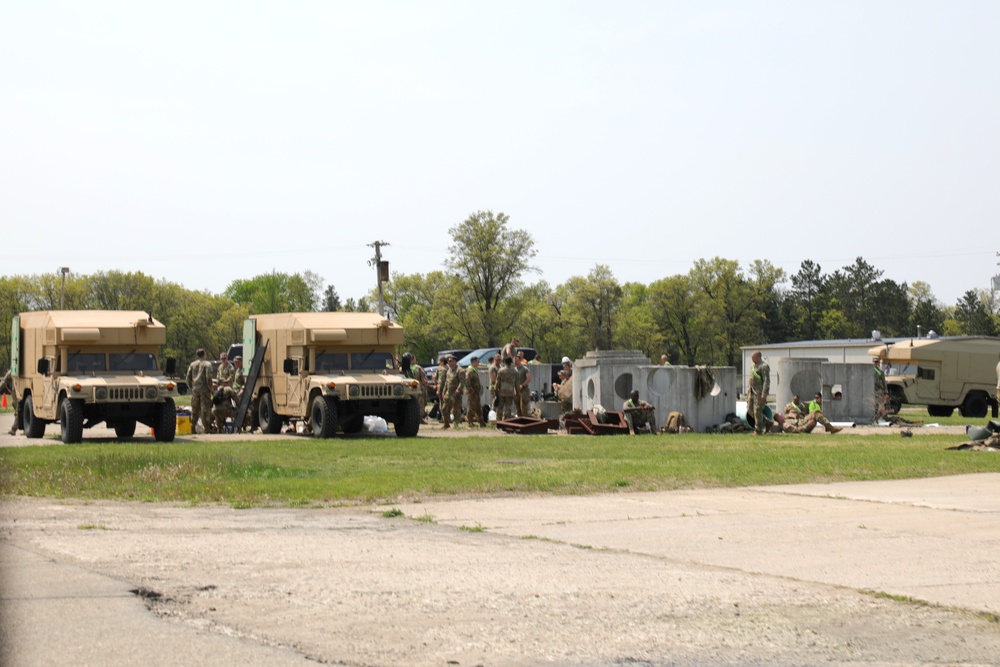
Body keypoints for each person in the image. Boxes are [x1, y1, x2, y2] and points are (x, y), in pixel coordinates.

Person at [185, 348, 215, 434]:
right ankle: (206, 428)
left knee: (195, 409)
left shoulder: (192, 364)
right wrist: (210, 388)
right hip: (204, 390)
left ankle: (193, 427)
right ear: (204, 354)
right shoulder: (207, 364)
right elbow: (208, 378)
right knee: (205, 409)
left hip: (195, 389)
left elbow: (188, 377)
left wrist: (191, 387)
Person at [400, 353, 428, 424]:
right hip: (409, 388)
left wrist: (423, 388)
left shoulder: (417, 368)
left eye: (413, 359)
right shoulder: (402, 368)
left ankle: (420, 418)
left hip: (417, 388)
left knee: (420, 403)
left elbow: (423, 379)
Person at [747, 351, 770, 436]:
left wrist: (764, 394)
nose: (752, 359)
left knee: (758, 410)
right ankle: (766, 421)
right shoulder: (753, 366)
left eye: (753, 357)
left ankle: (758, 430)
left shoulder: (764, 366)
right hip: (751, 391)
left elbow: (766, 381)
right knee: (750, 410)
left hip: (759, 392)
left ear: (758, 357)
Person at [440, 355, 465, 429]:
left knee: (456, 409)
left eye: (450, 361)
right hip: (448, 393)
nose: (448, 362)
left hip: (456, 393)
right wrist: (444, 391)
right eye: (448, 361)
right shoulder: (449, 370)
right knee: (444, 408)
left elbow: (462, 381)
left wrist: (459, 389)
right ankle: (446, 423)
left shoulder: (460, 370)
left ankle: (456, 424)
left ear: (454, 361)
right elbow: (447, 382)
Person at [465, 356, 486, 427]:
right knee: (471, 407)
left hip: (476, 393)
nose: (478, 363)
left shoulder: (474, 370)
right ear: (473, 362)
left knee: (478, 408)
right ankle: (469, 422)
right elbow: (467, 382)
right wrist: (471, 391)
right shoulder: (470, 370)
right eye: (477, 361)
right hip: (472, 393)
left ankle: (481, 422)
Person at [1, 369, 19, 435]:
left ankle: (14, 429)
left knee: (18, 411)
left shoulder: (10, 373)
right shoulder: (12, 372)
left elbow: (3, 383)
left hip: (16, 394)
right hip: (18, 394)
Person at [872, 356, 889, 423]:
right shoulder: (869, 370)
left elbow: (883, 381)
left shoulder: (880, 371)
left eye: (877, 362)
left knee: (878, 404)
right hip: (870, 389)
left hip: (878, 390)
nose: (876, 363)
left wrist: (885, 390)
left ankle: (878, 417)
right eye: (875, 362)